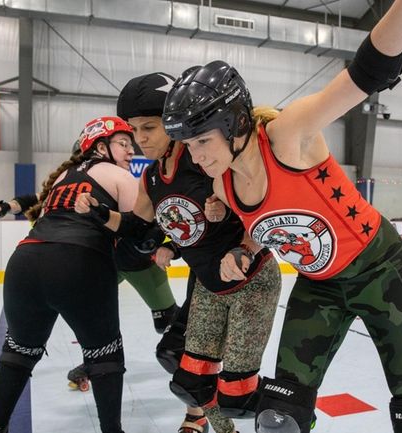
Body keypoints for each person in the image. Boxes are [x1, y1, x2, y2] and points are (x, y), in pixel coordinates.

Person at [160, 1, 402, 433]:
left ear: (234, 123)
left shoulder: (288, 136)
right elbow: (264, 228)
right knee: (278, 416)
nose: (197, 156)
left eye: (203, 141)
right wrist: (243, 251)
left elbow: (365, 75)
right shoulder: (223, 185)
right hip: (319, 288)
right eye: (189, 146)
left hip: (380, 272)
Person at [75, 72, 283, 433]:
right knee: (190, 381)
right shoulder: (151, 176)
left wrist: (243, 243)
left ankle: (293, 409)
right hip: (207, 285)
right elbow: (136, 224)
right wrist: (97, 212)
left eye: (149, 128)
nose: (140, 140)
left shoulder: (204, 157)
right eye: (134, 130)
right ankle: (223, 430)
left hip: (251, 279)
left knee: (236, 391)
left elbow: (262, 206)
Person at [0, 116, 140, 433]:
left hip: (25, 262)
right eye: (124, 144)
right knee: (104, 356)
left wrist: (2, 207)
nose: (131, 151)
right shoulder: (120, 175)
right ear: (100, 146)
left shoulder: (62, 177)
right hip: (80, 264)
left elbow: (33, 203)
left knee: (19, 352)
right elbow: (137, 231)